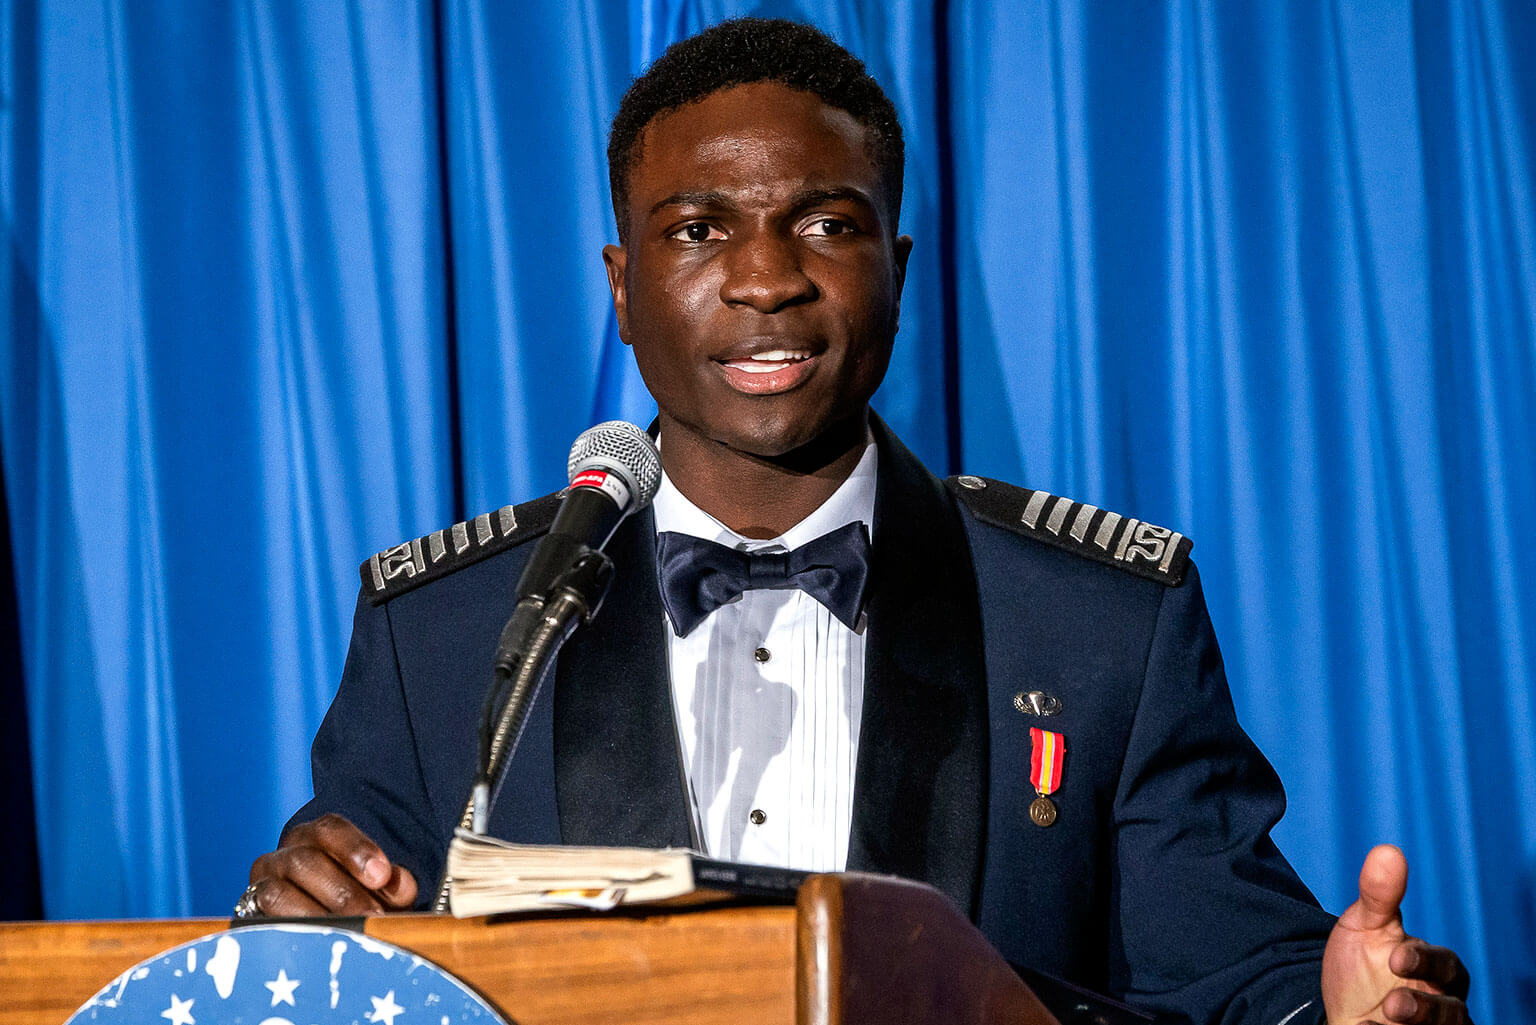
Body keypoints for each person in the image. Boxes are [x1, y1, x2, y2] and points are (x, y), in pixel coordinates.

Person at [245, 18, 1471, 1025]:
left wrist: (1348, 1008)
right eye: (698, 228)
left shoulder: (1099, 623)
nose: (767, 275)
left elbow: (1240, 981)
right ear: (623, 289)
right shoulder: (450, 631)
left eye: (826, 224)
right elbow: (343, 972)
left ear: (897, 261)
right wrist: (287, 927)